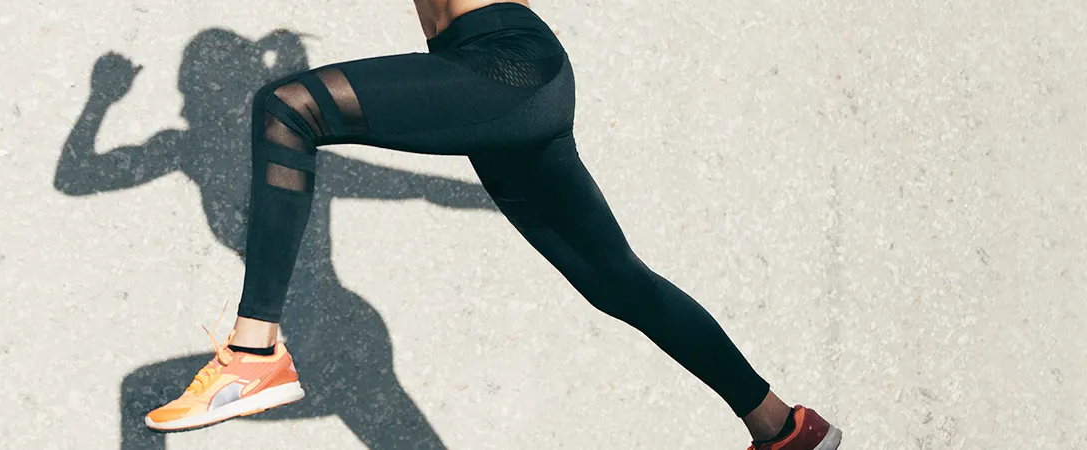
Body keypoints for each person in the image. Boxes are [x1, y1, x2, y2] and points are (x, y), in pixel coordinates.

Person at [134, 1, 842, 448]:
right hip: (485, 79)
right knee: (618, 283)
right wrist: (101, 103)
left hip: (505, 65)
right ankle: (783, 427)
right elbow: (85, 173)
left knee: (289, 108)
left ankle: (254, 353)